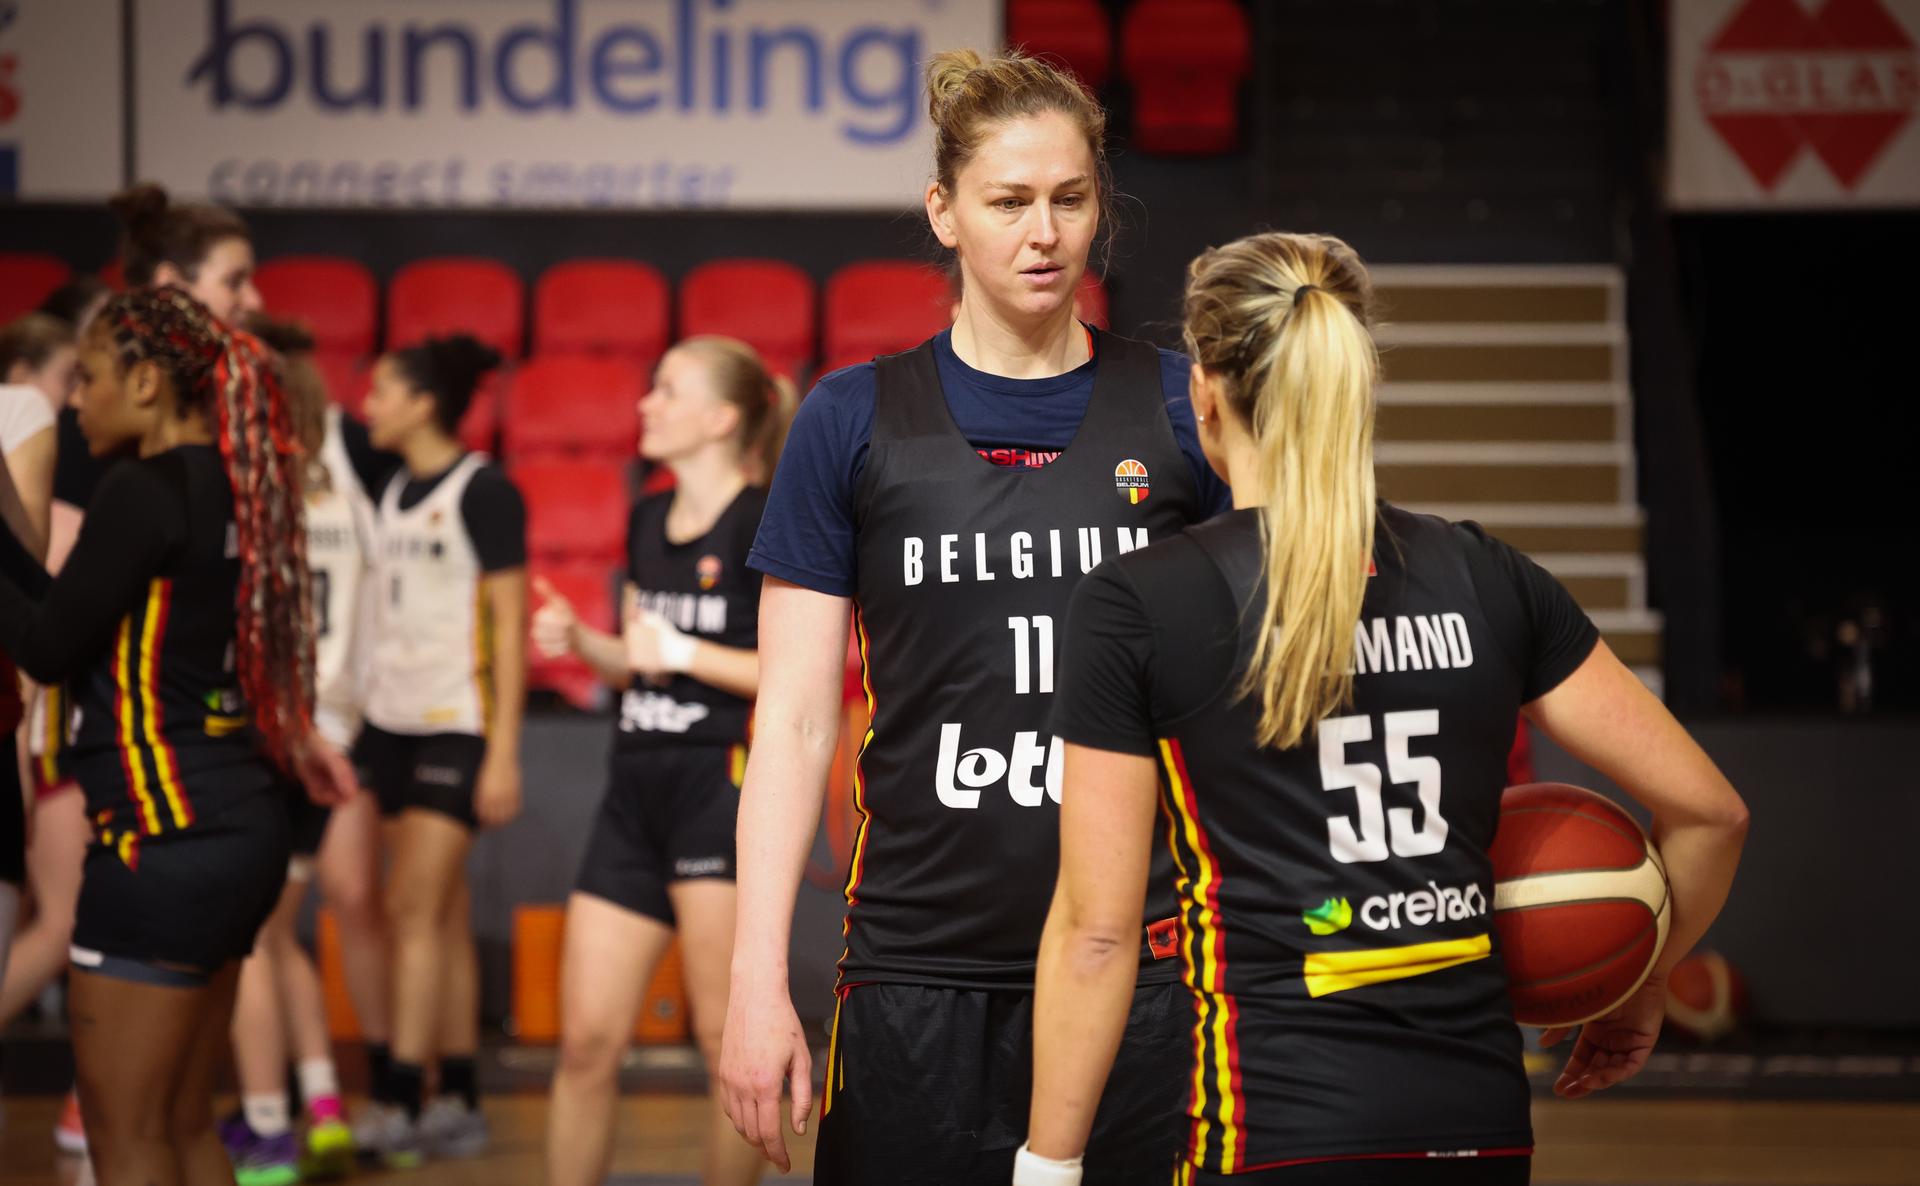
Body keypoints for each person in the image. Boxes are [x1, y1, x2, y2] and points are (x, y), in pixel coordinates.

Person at [1020, 231, 1752, 1185]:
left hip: (1272, 1127)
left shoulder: (1141, 602)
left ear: (1203, 390)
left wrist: (1048, 1164)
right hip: (1482, 1129)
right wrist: (1639, 979)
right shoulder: (1487, 576)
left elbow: (1099, 929)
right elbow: (1713, 815)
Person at [719, 48, 1233, 1184]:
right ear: (944, 213)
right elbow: (798, 722)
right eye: (1008, 202)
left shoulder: (1179, 408)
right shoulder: (851, 420)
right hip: (914, 975)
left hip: (1143, 974)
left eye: (1070, 198)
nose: (1044, 232)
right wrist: (757, 982)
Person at [0, 285, 356, 1186]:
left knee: (128, 1141)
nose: (77, 401)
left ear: (149, 382)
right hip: (238, 825)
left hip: (161, 839)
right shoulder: (234, 480)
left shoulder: (141, 489)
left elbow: (42, 648)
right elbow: (70, 620)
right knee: (185, 1124)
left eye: (91, 378)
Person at [535, 336, 790, 1186]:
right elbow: (641, 656)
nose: (644, 404)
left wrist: (678, 648)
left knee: (725, 1041)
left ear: (720, 419)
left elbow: (786, 674)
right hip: (631, 789)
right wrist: (582, 643)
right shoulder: (648, 515)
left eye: (666, 390)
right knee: (585, 1043)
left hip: (715, 785)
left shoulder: (762, 518)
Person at [352, 333, 527, 1167]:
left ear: (424, 402)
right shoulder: (387, 486)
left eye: (382, 390)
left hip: (455, 722)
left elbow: (508, 625)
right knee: (442, 917)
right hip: (387, 724)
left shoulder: (484, 491)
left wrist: (503, 751)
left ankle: (397, 1098)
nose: (368, 404)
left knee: (412, 911)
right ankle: (457, 1094)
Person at [215, 318, 374, 1185]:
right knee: (281, 935)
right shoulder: (346, 501)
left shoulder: (259, 501)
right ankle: (319, 1107)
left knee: (247, 938)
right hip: (334, 734)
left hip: (278, 735)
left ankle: (269, 1125)